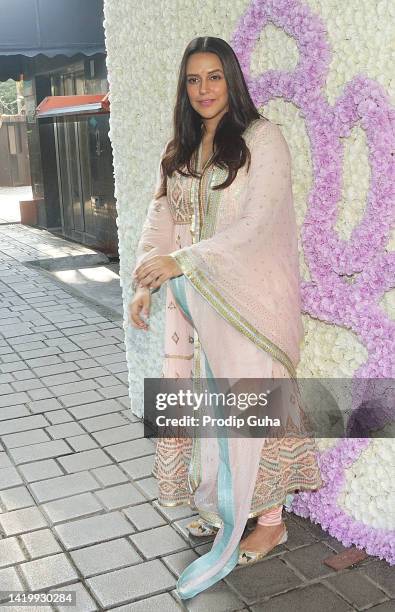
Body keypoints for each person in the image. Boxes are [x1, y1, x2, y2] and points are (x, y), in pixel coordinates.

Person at [129, 36, 323, 600]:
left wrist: (181, 261)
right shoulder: (181, 148)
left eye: (214, 77)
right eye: (193, 80)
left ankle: (269, 521)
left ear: (231, 80)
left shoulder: (263, 139)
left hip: (245, 300)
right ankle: (222, 503)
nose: (203, 90)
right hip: (191, 304)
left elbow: (258, 224)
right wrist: (147, 277)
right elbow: (158, 219)